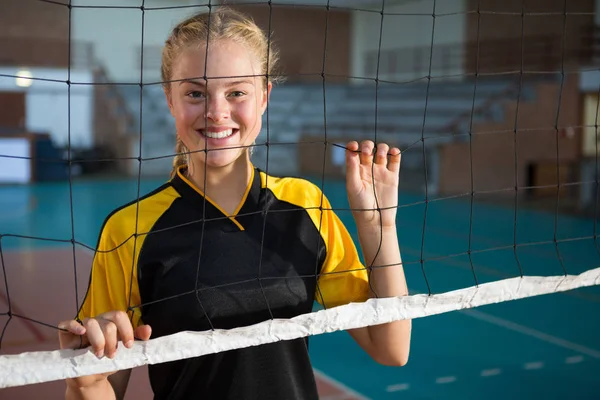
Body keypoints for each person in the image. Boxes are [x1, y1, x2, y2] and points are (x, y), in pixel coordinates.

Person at [57, 7, 411, 400]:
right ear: (170, 101)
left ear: (264, 98)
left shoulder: (307, 205)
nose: (216, 111)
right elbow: (104, 391)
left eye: (237, 92)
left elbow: (391, 348)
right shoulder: (131, 229)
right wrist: (84, 380)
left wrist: (380, 228)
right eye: (195, 93)